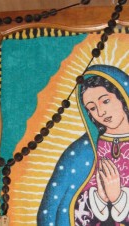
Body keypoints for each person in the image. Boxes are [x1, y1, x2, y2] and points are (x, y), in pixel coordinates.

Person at [37, 64, 129, 226]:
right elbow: (55, 208)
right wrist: (99, 198)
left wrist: (118, 198)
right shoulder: (81, 152)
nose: (101, 113)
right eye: (92, 108)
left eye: (105, 101)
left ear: (123, 97)